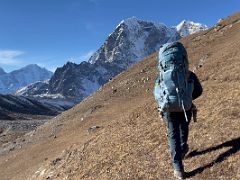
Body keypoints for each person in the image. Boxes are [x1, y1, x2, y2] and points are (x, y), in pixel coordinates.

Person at [161, 71, 203, 179]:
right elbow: (199, 91)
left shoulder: (162, 76)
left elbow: (157, 94)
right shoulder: (189, 74)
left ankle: (178, 169)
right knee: (183, 128)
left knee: (173, 135)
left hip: (169, 110)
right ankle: (183, 148)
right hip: (186, 107)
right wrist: (187, 98)